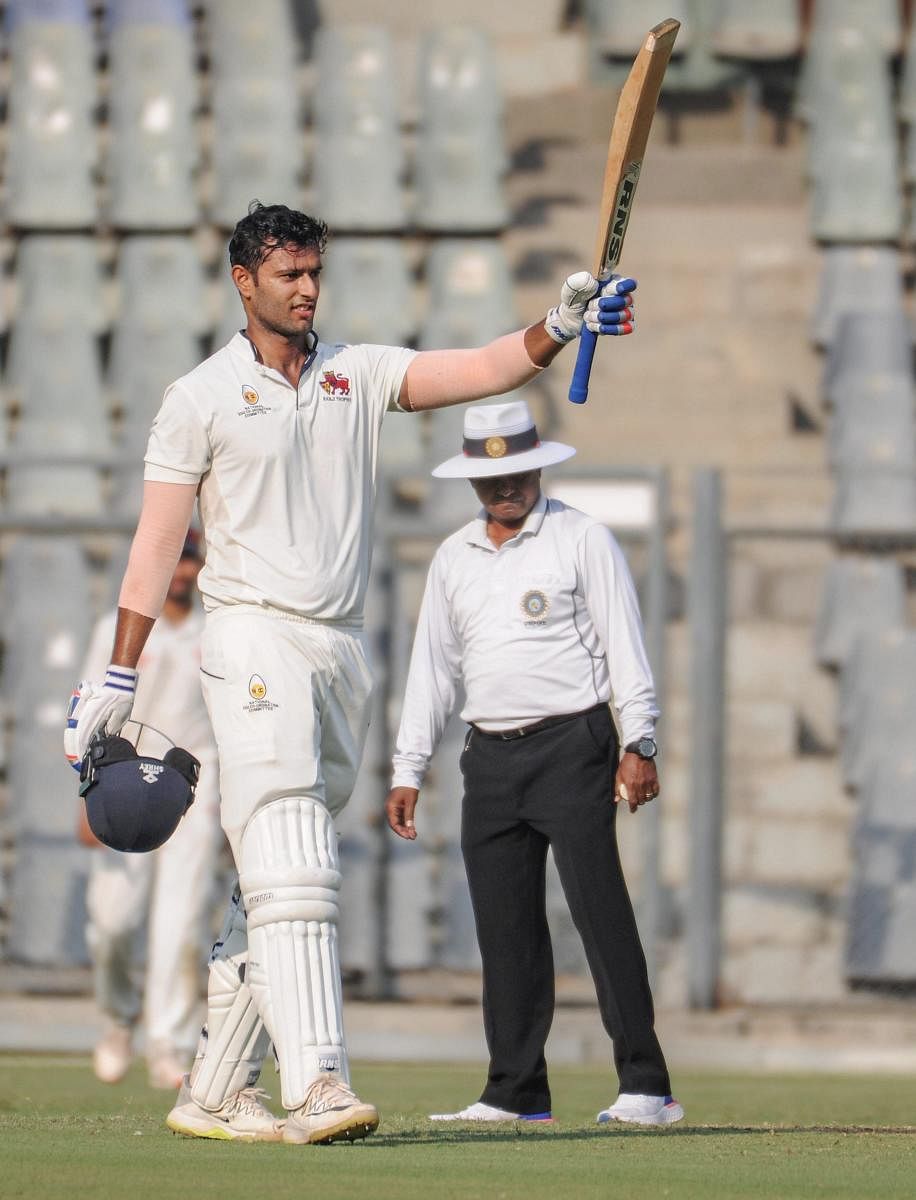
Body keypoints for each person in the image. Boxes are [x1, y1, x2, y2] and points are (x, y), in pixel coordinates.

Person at [64, 200, 635, 1145]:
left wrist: (557, 325)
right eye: (288, 275)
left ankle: (214, 1088)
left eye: (314, 273)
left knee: (271, 881)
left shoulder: (353, 375)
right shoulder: (198, 396)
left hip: (337, 647)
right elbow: (156, 544)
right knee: (296, 855)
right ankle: (318, 1082)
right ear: (244, 282)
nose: (306, 289)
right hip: (250, 635)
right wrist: (116, 679)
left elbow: (475, 370)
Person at [385, 399, 683, 1128]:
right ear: (471, 480)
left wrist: (639, 741)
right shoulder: (454, 558)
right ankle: (515, 1092)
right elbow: (433, 671)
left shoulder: (582, 539)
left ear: (534, 463)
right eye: (489, 477)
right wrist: (407, 765)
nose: (504, 487)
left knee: (597, 910)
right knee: (505, 927)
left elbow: (624, 646)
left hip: (572, 746)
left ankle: (646, 1086)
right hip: (488, 756)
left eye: (514, 470)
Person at [78, 533, 223, 1089]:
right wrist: (85, 793)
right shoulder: (118, 630)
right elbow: (89, 708)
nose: (183, 571)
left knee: (182, 922)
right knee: (112, 919)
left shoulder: (215, 631)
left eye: (191, 560)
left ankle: (170, 1042)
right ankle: (117, 1019)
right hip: (121, 780)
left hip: (191, 784)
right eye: (177, 559)